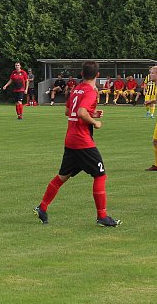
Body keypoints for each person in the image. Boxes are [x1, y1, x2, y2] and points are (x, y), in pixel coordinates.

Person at [34, 61, 121, 227]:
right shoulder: (90, 91)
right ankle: (102, 216)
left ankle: (42, 207)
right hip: (83, 141)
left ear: (81, 74)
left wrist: (92, 113)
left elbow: (68, 111)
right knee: (100, 174)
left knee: (62, 177)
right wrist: (94, 121)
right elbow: (81, 112)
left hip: (71, 139)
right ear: (97, 75)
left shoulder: (76, 89)